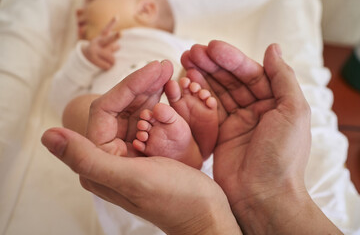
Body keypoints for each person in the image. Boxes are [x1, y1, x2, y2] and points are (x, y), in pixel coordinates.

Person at [42, 40, 343, 234]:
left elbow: (192, 74)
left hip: (155, 155)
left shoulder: (165, 43)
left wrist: (188, 90)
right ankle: (183, 150)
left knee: (176, 94)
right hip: (114, 114)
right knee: (78, 107)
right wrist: (82, 57)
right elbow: (56, 95)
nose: (82, 13)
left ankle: (184, 145)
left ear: (145, 8)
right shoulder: (91, 48)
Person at [50, 0, 218, 168]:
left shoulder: (180, 45)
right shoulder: (92, 57)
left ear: (145, 9)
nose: (79, 11)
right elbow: (59, 100)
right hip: (111, 136)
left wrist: (199, 76)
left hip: (168, 115)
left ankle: (188, 146)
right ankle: (130, 146)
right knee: (74, 108)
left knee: (195, 75)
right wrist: (84, 62)